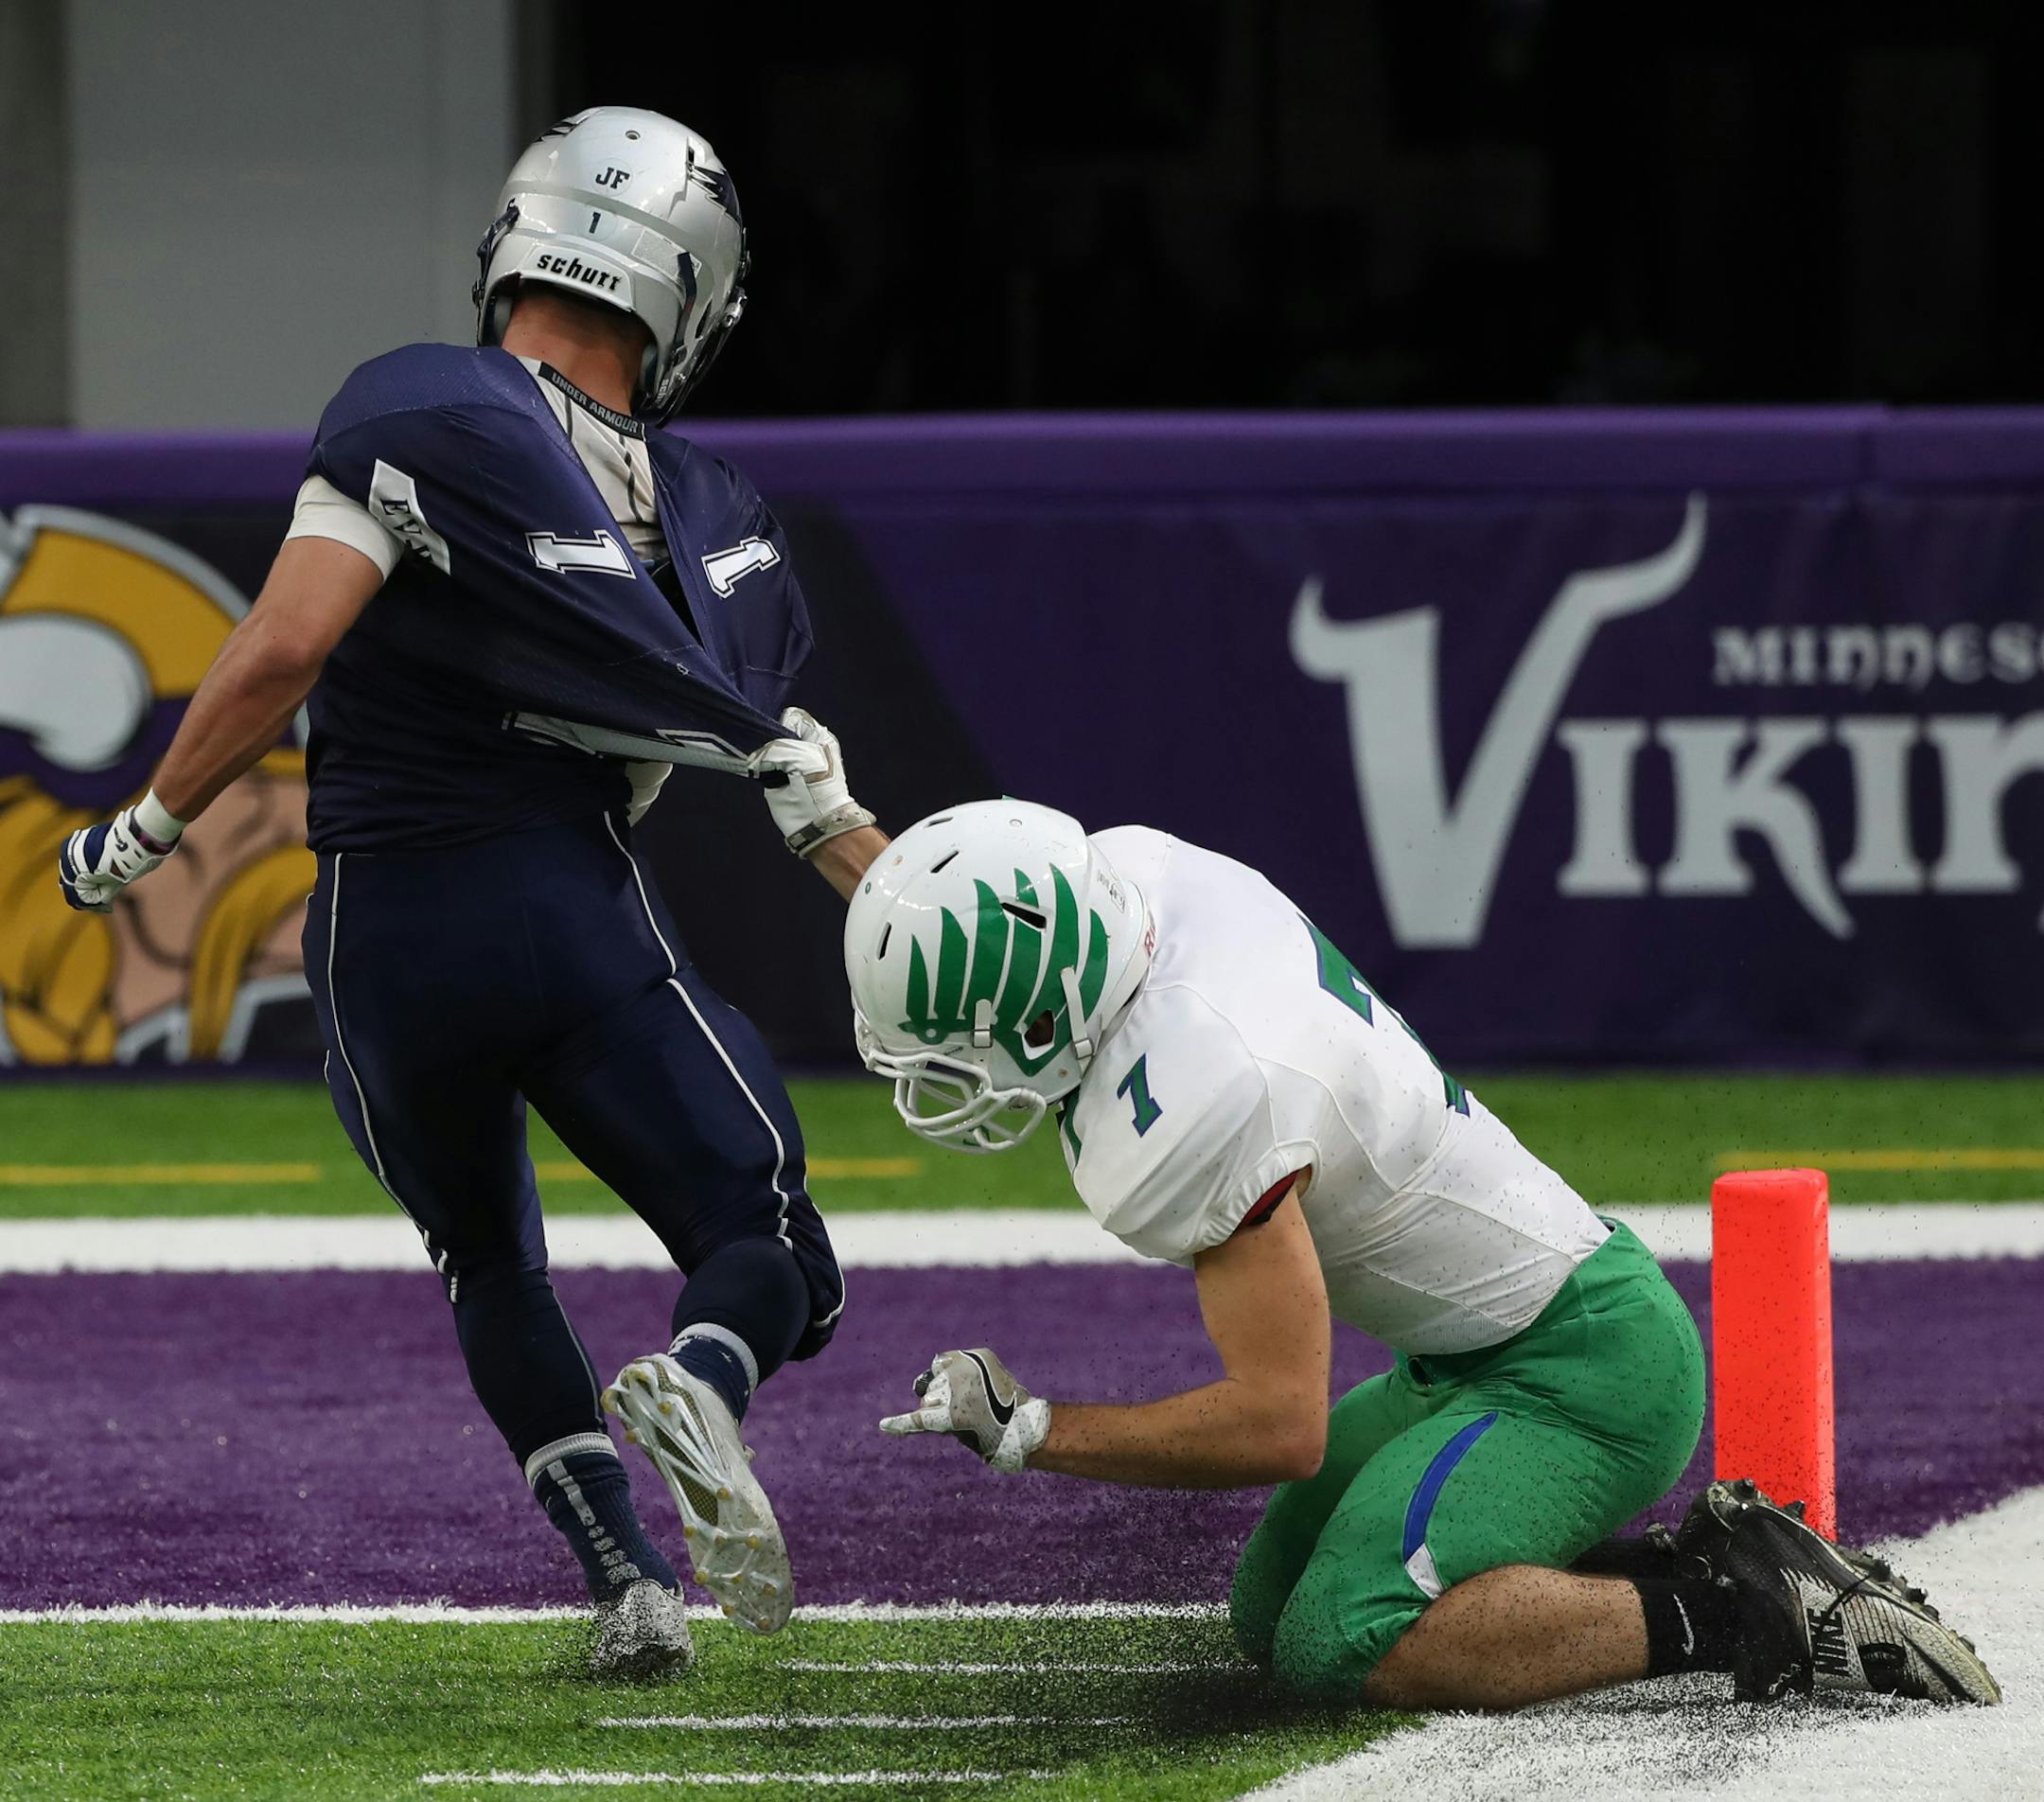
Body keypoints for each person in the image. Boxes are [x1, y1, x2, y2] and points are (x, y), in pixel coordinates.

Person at [55, 107, 888, 1679]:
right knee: (765, 1233)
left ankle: (628, 1583)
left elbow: (291, 641)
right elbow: (797, 783)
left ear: (521, 239)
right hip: (563, 903)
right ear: (687, 292)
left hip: (383, 932)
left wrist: (153, 824)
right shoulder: (710, 515)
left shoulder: (417, 399)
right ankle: (702, 1383)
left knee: (490, 1258)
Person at [835, 797, 2000, 1709]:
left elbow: (1278, 1425)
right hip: (1479, 1358)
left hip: (1582, 1375)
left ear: (1049, 1013)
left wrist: (1034, 1432)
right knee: (1273, 1608)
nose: (950, 1074)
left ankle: (1746, 1611)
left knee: (1347, 1638)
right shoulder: (1134, 891)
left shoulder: (1207, 1100)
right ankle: (1720, 1562)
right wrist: (835, 832)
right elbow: (991, 927)